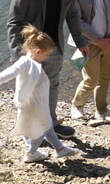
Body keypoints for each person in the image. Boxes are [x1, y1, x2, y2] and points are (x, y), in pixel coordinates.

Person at [7, 0, 90, 139]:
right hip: (31, 51)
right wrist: (16, 55)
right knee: (30, 91)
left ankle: (51, 124)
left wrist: (80, 42)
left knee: (52, 86)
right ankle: (31, 133)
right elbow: (13, 24)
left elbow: (72, 14)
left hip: (54, 48)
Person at [0, 25, 79, 163]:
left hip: (38, 103)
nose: (47, 57)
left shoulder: (32, 61)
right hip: (33, 104)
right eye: (47, 54)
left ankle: (60, 149)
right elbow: (9, 73)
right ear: (37, 51)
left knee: (47, 125)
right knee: (40, 130)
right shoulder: (25, 62)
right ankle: (31, 153)